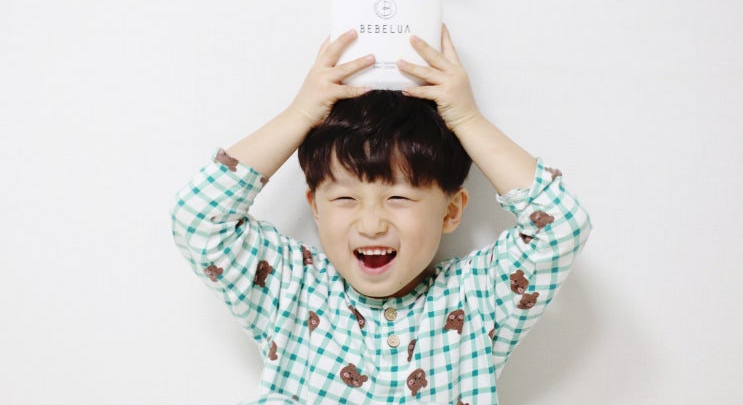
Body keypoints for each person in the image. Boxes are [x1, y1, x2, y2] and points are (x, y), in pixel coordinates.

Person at [171, 26, 592, 405]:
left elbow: (560, 225)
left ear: (450, 211)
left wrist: (467, 119)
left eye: (399, 198)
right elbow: (198, 218)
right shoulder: (289, 288)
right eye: (345, 198)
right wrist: (299, 115)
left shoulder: (477, 298)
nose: (372, 224)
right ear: (315, 207)